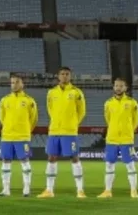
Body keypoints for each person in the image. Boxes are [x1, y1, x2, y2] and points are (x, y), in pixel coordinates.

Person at [42, 66, 87, 198]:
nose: (64, 76)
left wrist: (73, 123)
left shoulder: (77, 92)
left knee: (74, 157)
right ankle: (49, 190)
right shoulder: (51, 92)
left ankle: (80, 190)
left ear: (70, 76)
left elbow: (81, 111)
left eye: (67, 74)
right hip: (54, 131)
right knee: (51, 157)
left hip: (69, 131)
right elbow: (50, 109)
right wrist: (56, 121)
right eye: (62, 74)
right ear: (58, 76)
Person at [0, 74, 39, 197]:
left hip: (22, 137)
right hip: (7, 137)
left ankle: (26, 189)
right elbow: (2, 118)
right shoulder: (4, 100)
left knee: (24, 160)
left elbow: (34, 119)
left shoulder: (29, 101)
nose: (14, 85)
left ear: (22, 84)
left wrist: (25, 130)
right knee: (6, 161)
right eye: (12, 82)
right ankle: (6, 189)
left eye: (17, 82)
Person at [101, 77, 138, 198]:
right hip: (111, 139)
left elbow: (136, 120)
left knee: (130, 165)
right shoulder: (108, 103)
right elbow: (108, 119)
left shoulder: (132, 102)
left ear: (125, 88)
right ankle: (107, 191)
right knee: (109, 164)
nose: (118, 88)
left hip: (126, 139)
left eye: (121, 86)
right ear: (113, 87)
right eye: (116, 85)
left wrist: (128, 131)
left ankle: (133, 191)